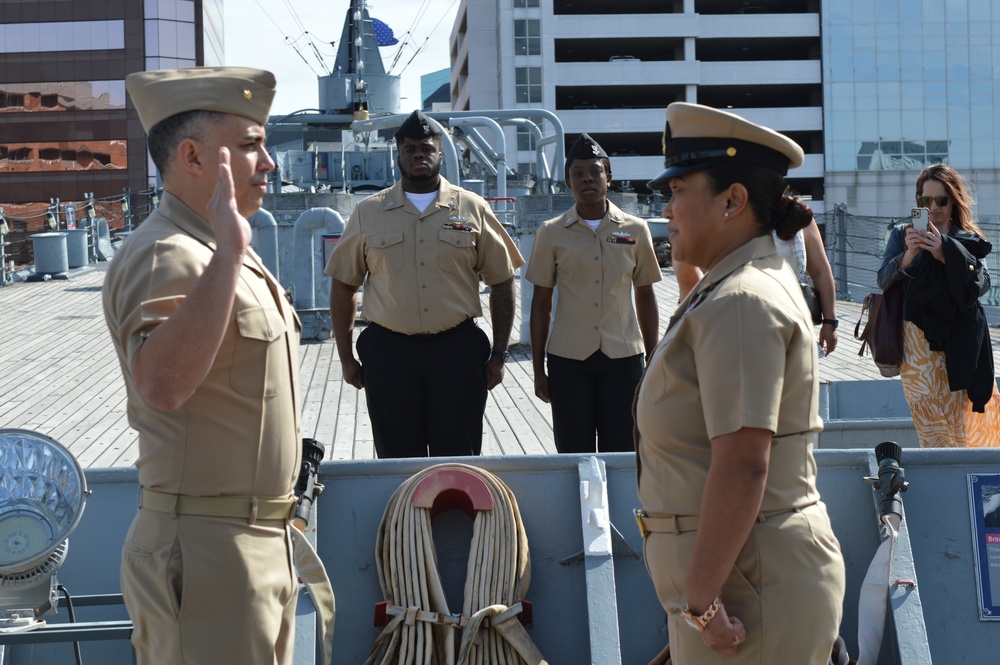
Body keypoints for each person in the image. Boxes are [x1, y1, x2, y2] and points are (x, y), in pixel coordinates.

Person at [104, 68, 309, 664]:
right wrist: (231, 254)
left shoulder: (215, 248)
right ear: (193, 157)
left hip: (252, 544)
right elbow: (162, 385)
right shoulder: (170, 254)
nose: (268, 162)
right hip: (206, 551)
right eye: (249, 146)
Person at [634, 102, 846, 664]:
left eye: (679, 190)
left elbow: (744, 463)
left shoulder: (740, 301)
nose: (668, 210)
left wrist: (701, 603)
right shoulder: (728, 287)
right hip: (736, 579)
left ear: (733, 200)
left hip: (743, 590)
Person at [326, 109, 524, 458]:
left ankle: (457, 515)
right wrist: (346, 357)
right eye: (410, 149)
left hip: (457, 351)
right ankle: (405, 516)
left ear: (440, 154)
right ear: (399, 155)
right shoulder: (368, 212)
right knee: (396, 458)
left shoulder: (472, 208)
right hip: (389, 353)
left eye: (427, 148)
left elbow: (503, 281)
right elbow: (344, 286)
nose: (419, 154)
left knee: (458, 454)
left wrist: (499, 354)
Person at [525, 133, 661, 453]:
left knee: (624, 450)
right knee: (573, 451)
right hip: (569, 362)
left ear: (608, 178)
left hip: (624, 358)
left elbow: (645, 295)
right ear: (568, 182)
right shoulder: (551, 233)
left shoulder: (634, 230)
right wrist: (537, 370)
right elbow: (541, 302)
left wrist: (653, 358)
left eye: (594, 171)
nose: (587, 178)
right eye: (578, 173)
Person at [876, 164, 1000, 448]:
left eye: (941, 200)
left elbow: (983, 283)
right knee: (930, 418)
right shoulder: (901, 234)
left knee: (965, 419)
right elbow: (884, 280)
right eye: (925, 200)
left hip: (960, 338)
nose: (933, 207)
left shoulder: (965, 236)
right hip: (918, 342)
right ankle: (944, 475)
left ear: (953, 200)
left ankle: (973, 484)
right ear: (917, 201)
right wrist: (909, 255)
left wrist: (946, 254)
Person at [773, 219, 840, 355]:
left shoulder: (798, 215)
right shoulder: (732, 211)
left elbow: (820, 271)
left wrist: (829, 322)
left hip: (790, 317)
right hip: (741, 314)